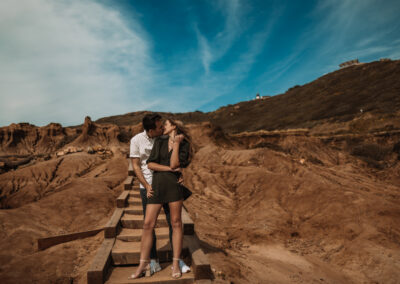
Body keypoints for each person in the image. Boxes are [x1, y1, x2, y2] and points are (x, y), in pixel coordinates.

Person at [129, 118, 192, 279]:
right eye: (161, 125)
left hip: (173, 187)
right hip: (157, 185)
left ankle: (176, 263)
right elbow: (151, 164)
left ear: (174, 127)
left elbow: (176, 162)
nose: (163, 127)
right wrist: (171, 170)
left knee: (176, 223)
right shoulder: (159, 141)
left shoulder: (184, 145)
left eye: (166, 124)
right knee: (148, 224)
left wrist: (177, 144)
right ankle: (143, 263)